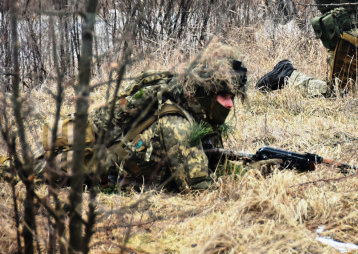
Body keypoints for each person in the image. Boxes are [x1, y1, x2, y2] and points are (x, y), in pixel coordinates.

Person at [39, 41, 250, 191]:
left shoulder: (199, 114)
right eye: (223, 97)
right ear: (206, 93)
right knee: (26, 171)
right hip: (95, 170)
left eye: (232, 97)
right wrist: (251, 176)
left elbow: (211, 159)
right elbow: (198, 187)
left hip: (111, 160)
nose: (230, 104)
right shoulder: (178, 124)